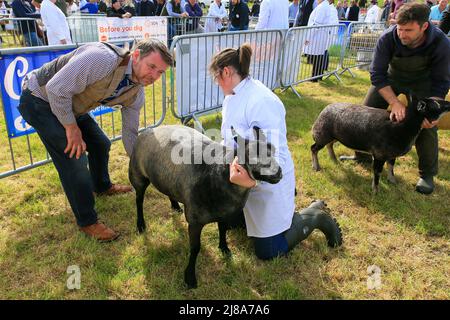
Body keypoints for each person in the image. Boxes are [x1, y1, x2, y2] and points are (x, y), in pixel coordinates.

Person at [18, 39, 174, 241]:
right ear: (136, 56)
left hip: (70, 104)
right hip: (39, 98)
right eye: (151, 67)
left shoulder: (137, 93)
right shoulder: (102, 59)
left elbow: (129, 134)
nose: (154, 76)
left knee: (101, 144)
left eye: (160, 72)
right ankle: (87, 221)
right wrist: (71, 128)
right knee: (74, 157)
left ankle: (101, 186)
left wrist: (144, 167)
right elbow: (56, 89)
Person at [208, 44, 343, 260]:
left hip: (267, 181)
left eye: (216, 77)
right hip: (244, 176)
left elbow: (274, 159)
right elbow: (230, 140)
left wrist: (253, 183)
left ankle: (314, 216)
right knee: (231, 224)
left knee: (269, 251)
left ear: (226, 72)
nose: (216, 82)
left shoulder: (261, 101)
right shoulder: (232, 95)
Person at [340, 3, 450, 195]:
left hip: (422, 83)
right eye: (400, 29)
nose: (402, 34)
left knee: (425, 126)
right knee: (366, 112)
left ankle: (427, 174)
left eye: (408, 30)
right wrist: (394, 102)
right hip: (390, 79)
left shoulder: (441, 43)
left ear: (424, 27)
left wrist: (431, 110)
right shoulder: (388, 37)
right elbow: (377, 74)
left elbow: (441, 82)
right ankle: (363, 155)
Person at [304, 0, 339, 81]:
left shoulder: (323, 7)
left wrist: (308, 37)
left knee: (317, 57)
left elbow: (316, 23)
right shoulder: (324, 6)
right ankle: (317, 76)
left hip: (318, 35)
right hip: (320, 35)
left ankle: (315, 77)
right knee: (319, 56)